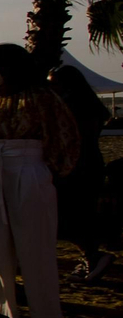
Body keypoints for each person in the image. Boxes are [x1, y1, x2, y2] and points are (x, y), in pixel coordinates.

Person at [0, 43, 81, 318]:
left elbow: (64, 134)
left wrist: (54, 170)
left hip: (28, 165)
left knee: (36, 245)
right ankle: (3, 309)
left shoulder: (41, 96)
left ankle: (47, 316)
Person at [50, 65, 114, 283]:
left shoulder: (75, 106)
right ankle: (91, 256)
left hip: (78, 166)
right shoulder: (86, 105)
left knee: (71, 216)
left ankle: (93, 256)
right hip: (86, 164)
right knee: (78, 215)